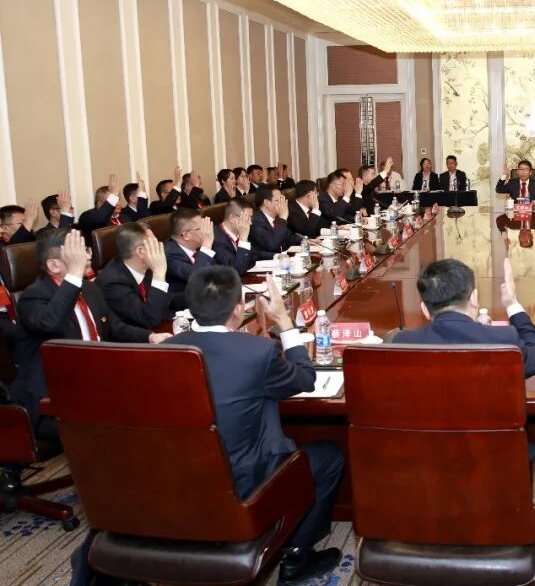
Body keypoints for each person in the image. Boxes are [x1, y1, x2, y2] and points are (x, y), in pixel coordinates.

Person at [166, 267, 343, 583]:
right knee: (330, 456)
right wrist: (284, 321)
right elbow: (306, 378)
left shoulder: (164, 351)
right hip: (247, 482)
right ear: (239, 309)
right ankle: (296, 557)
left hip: (180, 475)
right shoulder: (256, 352)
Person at [12, 229, 168, 441]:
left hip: (97, 384)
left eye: (86, 249)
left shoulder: (89, 288)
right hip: (56, 399)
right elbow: (50, 321)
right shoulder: (33, 297)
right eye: (78, 252)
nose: (88, 256)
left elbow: (113, 327)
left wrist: (150, 337)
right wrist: (75, 275)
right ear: (54, 265)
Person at [393, 257, 535, 379]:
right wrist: (512, 303)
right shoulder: (504, 340)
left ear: (425, 309)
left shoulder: (402, 345)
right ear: (474, 298)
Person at [96, 222, 174, 329]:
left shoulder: (144, 267)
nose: (161, 246)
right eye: (154, 243)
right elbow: (149, 319)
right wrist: (159, 274)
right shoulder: (113, 283)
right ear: (140, 251)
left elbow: (166, 300)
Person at [164, 208, 216, 297]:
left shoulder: (197, 246)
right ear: (187, 235)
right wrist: (207, 244)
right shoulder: (169, 255)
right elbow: (197, 279)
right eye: (202, 228)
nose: (207, 231)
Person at [250, 187, 301, 258]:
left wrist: (306, 241)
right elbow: (272, 246)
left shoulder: (276, 219)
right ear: (266, 202)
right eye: (277, 200)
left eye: (282, 200)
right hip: (265, 262)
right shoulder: (255, 221)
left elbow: (289, 237)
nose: (281, 204)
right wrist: (283, 217)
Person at [213, 198, 256, 275]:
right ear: (232, 218)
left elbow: (254, 254)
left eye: (251, 218)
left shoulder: (238, 232)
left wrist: (275, 256)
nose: (250, 223)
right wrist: (243, 238)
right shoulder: (216, 240)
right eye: (247, 218)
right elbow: (237, 271)